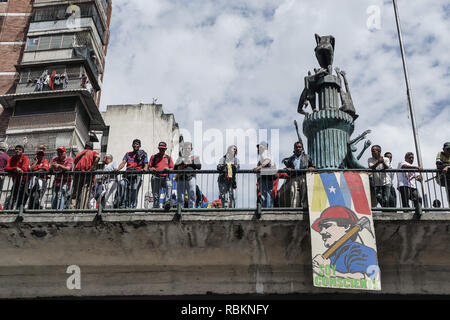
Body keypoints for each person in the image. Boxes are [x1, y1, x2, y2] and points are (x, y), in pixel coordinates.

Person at [311, 206, 379, 280]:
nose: (321, 232)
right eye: (321, 228)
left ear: (346, 226)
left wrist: (327, 271)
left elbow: (364, 279)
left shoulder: (358, 250)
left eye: (327, 226)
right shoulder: (331, 256)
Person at [116, 139, 148, 208]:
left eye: (137, 144)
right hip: (128, 174)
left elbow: (146, 164)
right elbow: (123, 163)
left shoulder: (143, 154)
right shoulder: (128, 154)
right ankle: (123, 205)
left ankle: (132, 207)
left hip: (137, 175)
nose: (135, 145)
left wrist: (145, 169)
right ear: (132, 145)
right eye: (134, 144)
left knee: (134, 190)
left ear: (140, 145)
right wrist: (118, 169)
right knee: (122, 184)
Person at [284, 141, 314, 208]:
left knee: (304, 193)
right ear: (294, 149)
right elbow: (288, 169)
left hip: (303, 176)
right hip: (294, 177)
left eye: (299, 147)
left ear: (302, 148)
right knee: (294, 193)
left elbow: (312, 165)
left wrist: (311, 167)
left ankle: (304, 208)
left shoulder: (307, 157)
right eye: (296, 147)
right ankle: (294, 209)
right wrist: (288, 169)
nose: (298, 148)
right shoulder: (291, 159)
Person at [72, 141, 100, 209]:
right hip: (87, 175)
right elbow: (98, 157)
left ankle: (74, 209)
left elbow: (75, 164)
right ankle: (82, 209)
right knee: (85, 193)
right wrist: (92, 168)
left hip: (77, 175)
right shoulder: (93, 152)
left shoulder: (79, 154)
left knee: (76, 192)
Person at [174, 142, 201, 208]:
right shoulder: (180, 158)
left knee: (192, 195)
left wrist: (190, 162)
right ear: (183, 149)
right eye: (185, 148)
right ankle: (180, 209)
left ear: (191, 149)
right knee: (180, 196)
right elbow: (175, 168)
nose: (187, 149)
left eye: (188, 148)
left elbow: (199, 166)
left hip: (191, 178)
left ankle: (191, 209)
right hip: (180, 178)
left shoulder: (195, 157)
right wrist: (182, 162)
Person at [149, 142, 174, 210]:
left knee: (169, 185)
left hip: (165, 177)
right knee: (156, 195)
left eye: (163, 149)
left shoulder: (168, 157)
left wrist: (168, 169)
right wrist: (152, 169)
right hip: (156, 177)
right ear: (158, 149)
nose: (161, 150)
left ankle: (167, 203)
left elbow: (172, 168)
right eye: (160, 149)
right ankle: (156, 208)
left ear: (165, 149)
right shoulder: (154, 157)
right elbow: (149, 167)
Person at [4, 145, 29, 210]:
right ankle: (10, 210)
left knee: (23, 196)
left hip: (24, 181)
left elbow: (24, 169)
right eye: (16, 149)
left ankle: (19, 210)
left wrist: (16, 170)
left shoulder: (25, 158)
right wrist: (15, 168)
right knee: (13, 196)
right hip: (15, 181)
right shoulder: (11, 158)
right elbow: (6, 168)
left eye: (19, 149)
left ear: (22, 151)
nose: (17, 150)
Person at [253, 141, 277, 208]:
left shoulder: (265, 152)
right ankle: (268, 207)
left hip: (265, 175)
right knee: (268, 192)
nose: (258, 149)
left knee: (265, 193)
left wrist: (258, 167)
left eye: (260, 147)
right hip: (269, 175)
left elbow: (267, 160)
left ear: (264, 147)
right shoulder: (268, 154)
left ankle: (266, 208)